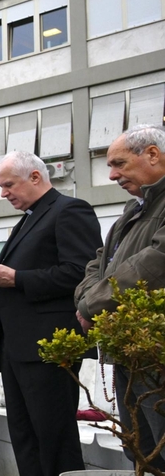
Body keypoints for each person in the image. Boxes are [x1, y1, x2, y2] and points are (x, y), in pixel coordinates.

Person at [0, 151, 101, 476]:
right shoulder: (28, 219)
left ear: (35, 177)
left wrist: (15, 278)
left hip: (49, 348)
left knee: (54, 439)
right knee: (24, 438)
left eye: (9, 185)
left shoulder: (70, 210)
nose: (3, 193)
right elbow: (18, 282)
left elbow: (81, 272)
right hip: (16, 348)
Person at [75, 125, 165, 470]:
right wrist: (87, 300)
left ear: (152, 155)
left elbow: (152, 266)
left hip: (154, 352)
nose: (112, 174)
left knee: (158, 447)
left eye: (119, 164)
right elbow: (98, 262)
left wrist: (89, 304)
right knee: (138, 447)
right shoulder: (133, 210)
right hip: (129, 350)